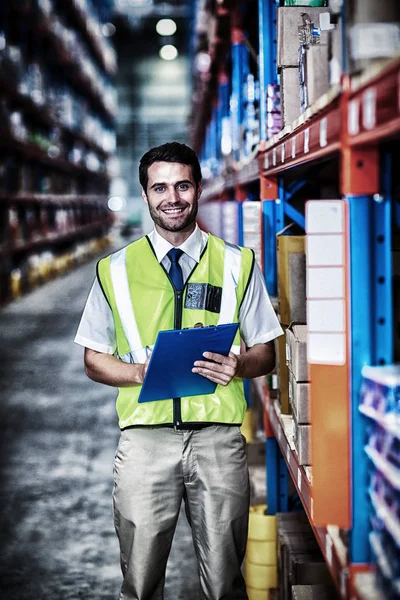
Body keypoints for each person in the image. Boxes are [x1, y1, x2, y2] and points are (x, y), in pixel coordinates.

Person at [74, 142, 283, 600]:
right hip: (145, 441)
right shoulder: (115, 270)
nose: (173, 197)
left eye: (183, 185)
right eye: (160, 187)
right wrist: (139, 374)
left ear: (199, 189)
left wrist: (238, 364)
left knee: (226, 581)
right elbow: (93, 358)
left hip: (217, 440)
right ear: (146, 195)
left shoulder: (237, 264)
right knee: (141, 581)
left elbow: (267, 351)